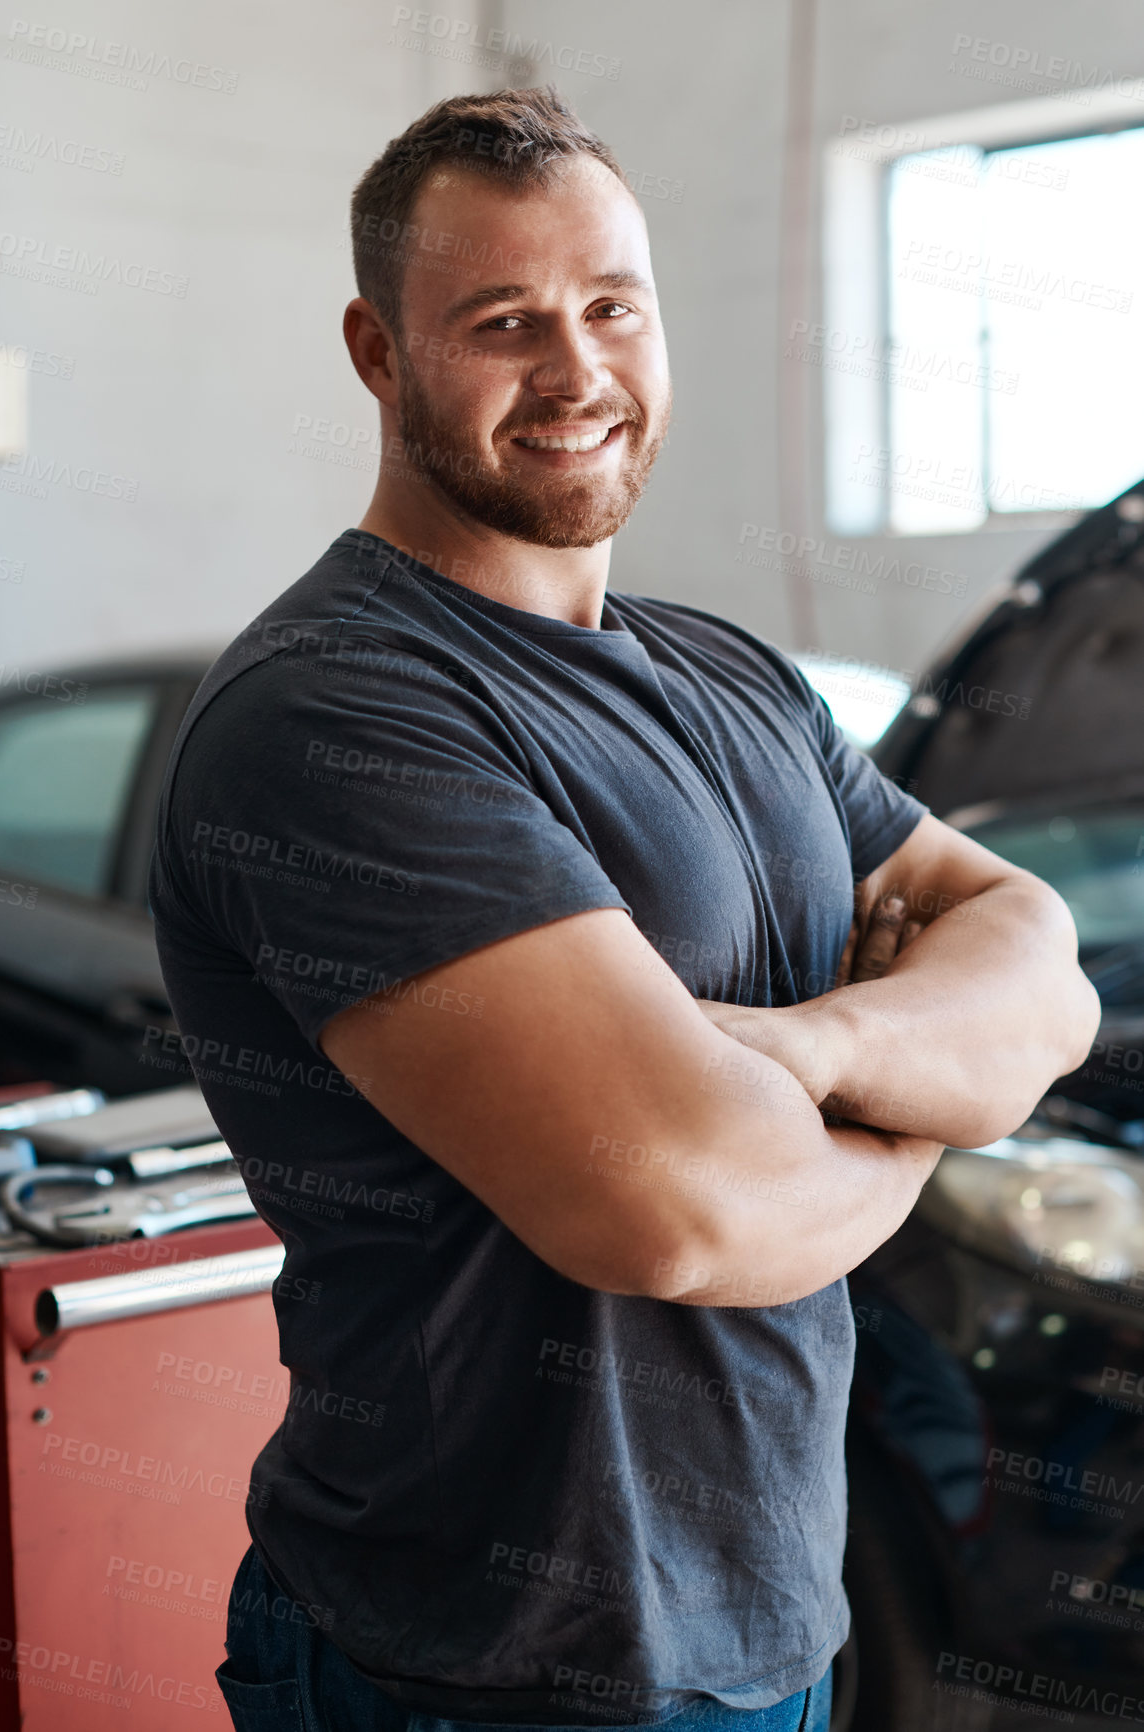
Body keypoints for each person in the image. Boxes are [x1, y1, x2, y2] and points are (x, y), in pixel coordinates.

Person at [149, 85, 1099, 1732]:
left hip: (764, 1626)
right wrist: (934, 1106)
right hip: (471, 1665)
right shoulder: (341, 708)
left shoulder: (733, 674)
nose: (576, 370)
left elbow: (1038, 967)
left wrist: (812, 1049)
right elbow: (681, 1212)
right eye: (503, 321)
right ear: (379, 354)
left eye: (610, 306)